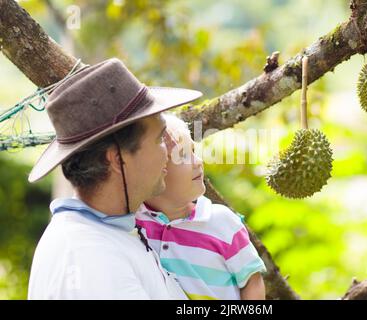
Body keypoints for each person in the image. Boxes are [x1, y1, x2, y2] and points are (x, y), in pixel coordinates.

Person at [27, 58, 202, 299]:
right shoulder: (91, 259)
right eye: (160, 138)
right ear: (117, 160)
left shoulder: (110, 231)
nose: (168, 150)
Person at [135, 114, 267, 300]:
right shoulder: (135, 219)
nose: (198, 162)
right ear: (153, 171)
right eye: (183, 155)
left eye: (193, 151)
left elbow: (252, 281)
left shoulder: (222, 222)